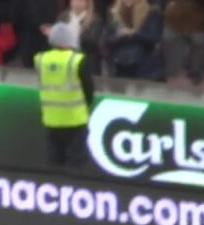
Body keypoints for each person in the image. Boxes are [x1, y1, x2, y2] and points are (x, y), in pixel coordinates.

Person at [35, 22, 95, 167]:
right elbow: (89, 88)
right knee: (76, 164)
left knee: (54, 164)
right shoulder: (77, 60)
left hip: (51, 119)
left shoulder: (40, 59)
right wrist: (84, 107)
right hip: (75, 120)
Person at [104, 0, 164, 80]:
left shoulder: (151, 13)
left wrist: (134, 34)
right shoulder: (114, 14)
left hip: (142, 66)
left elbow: (154, 38)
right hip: (119, 65)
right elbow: (107, 40)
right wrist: (118, 35)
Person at [59, 0, 105, 75]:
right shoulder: (63, 17)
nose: (77, 3)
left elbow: (94, 41)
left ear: (87, 3)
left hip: (87, 61)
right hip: (66, 60)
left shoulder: (95, 19)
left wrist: (77, 35)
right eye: (74, 0)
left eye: (80, 1)